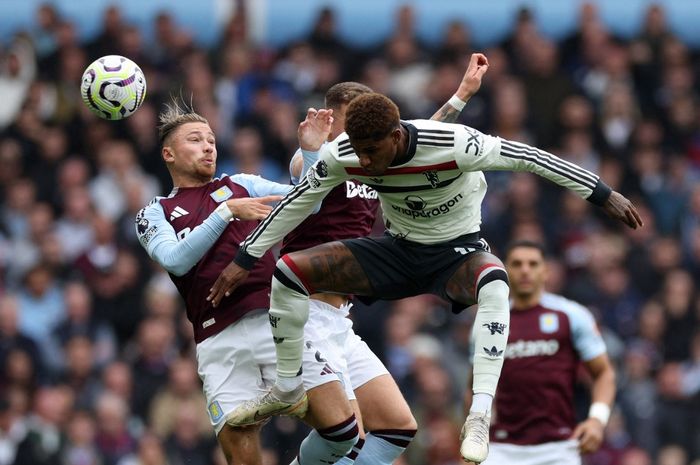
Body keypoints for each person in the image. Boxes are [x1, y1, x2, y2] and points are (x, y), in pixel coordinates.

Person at [207, 91, 642, 463]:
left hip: (455, 254)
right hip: (399, 251)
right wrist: (246, 257)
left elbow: (531, 158)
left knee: (495, 283)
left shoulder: (457, 145)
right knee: (290, 270)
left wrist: (603, 195)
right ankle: (286, 387)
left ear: (396, 137)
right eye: (357, 149)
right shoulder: (346, 154)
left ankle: (478, 418)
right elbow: (299, 202)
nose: (363, 161)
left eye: (371, 151)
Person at [282, 53, 490, 465]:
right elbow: (300, 203)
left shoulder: (373, 159)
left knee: (398, 427)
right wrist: (309, 152)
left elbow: (421, 142)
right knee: (348, 433)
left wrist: (462, 94)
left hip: (341, 317)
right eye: (353, 121)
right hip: (305, 311)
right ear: (329, 119)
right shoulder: (314, 158)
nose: (365, 133)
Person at [134, 101, 361, 465]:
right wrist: (227, 213)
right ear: (169, 154)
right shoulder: (155, 212)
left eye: (211, 139)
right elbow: (176, 260)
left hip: (275, 323)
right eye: (195, 139)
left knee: (344, 432)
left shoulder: (240, 184)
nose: (208, 146)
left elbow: (310, 204)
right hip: (217, 340)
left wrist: (310, 149)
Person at [465, 240, 616, 465]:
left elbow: (604, 373)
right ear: (505, 270)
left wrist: (597, 420)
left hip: (559, 447)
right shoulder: (488, 322)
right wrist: (472, 436)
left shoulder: (571, 315)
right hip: (500, 448)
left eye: (533, 264)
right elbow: (474, 386)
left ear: (545, 271)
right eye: (517, 264)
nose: (525, 270)